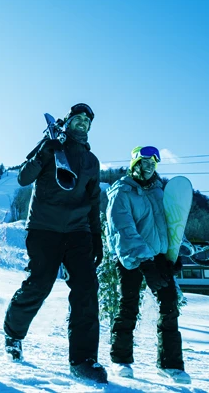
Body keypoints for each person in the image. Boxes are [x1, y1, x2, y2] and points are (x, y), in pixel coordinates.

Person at [3, 103, 107, 384]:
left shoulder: (91, 161)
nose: (83, 121)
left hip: (79, 232)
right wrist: (42, 154)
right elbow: (24, 179)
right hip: (44, 228)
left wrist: (96, 237)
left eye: (88, 119)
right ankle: (13, 332)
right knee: (40, 283)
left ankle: (83, 360)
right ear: (69, 120)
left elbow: (94, 201)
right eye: (78, 117)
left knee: (86, 289)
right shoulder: (49, 146)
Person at [105, 146, 190, 384]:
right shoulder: (121, 192)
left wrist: (175, 252)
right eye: (144, 163)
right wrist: (146, 263)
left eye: (152, 164)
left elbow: (171, 223)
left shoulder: (159, 192)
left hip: (159, 257)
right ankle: (120, 360)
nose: (149, 168)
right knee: (128, 306)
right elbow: (124, 231)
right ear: (135, 165)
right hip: (131, 259)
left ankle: (170, 364)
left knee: (170, 306)